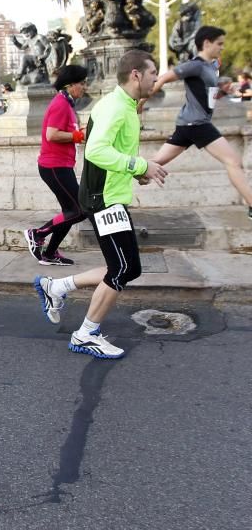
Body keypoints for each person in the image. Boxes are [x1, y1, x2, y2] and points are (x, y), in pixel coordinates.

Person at [34, 50, 169, 358]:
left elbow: (113, 155)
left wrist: (137, 173)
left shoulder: (124, 106)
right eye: (152, 73)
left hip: (109, 197)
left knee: (119, 266)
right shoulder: (116, 107)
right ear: (135, 74)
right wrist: (139, 166)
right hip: (104, 200)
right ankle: (85, 334)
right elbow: (95, 151)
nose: (155, 79)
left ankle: (56, 288)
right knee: (124, 268)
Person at [147, 26, 252, 221]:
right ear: (206, 43)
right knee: (234, 162)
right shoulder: (195, 65)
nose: (222, 47)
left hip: (188, 124)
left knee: (154, 163)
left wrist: (220, 93)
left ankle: (122, 173)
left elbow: (205, 94)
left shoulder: (212, 66)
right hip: (197, 124)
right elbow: (163, 79)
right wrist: (142, 100)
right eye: (219, 43)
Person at [23, 65, 90, 266]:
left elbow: (67, 131)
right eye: (82, 83)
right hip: (54, 166)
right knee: (79, 210)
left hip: (61, 165)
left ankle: (50, 253)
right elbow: (51, 134)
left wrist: (84, 131)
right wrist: (78, 135)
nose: (85, 87)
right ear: (70, 85)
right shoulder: (61, 104)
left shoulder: (67, 104)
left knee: (69, 212)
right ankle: (37, 233)